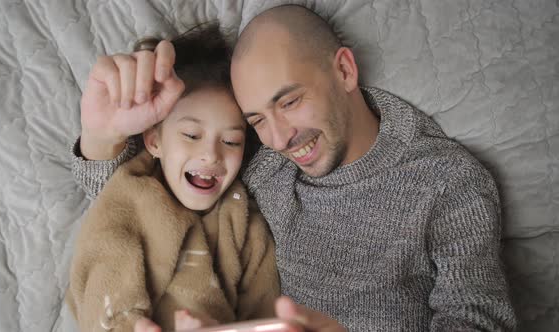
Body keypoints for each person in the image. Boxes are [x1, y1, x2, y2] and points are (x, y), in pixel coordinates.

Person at [70, 5, 517, 331]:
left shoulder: (448, 182)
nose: (280, 138)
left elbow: (479, 321)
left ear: (343, 71)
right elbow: (141, 201)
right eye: (257, 120)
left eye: (289, 101)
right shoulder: (265, 168)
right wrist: (101, 134)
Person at [65, 24, 280, 332]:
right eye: (192, 135)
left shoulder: (246, 224)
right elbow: (103, 276)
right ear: (154, 141)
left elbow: (265, 313)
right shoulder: (129, 197)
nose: (211, 155)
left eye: (231, 141)